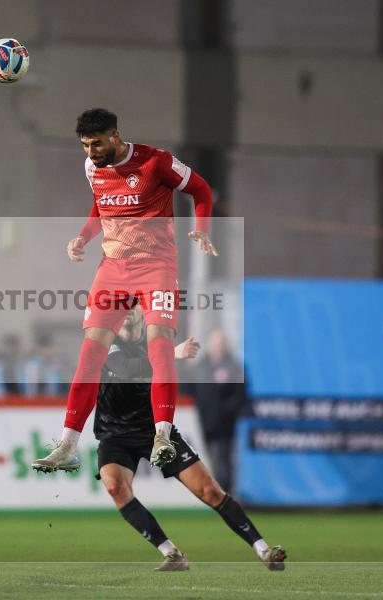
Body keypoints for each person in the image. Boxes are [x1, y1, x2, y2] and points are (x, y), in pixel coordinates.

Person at [33, 108, 217, 473]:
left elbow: (201, 190)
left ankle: (162, 437)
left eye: (97, 144)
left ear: (115, 137)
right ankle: (67, 446)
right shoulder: (92, 167)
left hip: (156, 267)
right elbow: (102, 207)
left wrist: (202, 228)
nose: (91, 152)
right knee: (90, 356)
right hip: (113, 269)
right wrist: (82, 237)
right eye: (85, 145)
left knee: (159, 346)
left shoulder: (155, 162)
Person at [94, 308, 286, 572]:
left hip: (156, 431)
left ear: (143, 312)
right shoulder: (107, 341)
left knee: (210, 491)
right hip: (114, 434)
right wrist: (172, 353)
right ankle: (171, 553)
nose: (125, 309)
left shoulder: (155, 342)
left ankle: (264, 550)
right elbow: (124, 369)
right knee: (116, 487)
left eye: (133, 304)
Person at [186, 327, 249, 496]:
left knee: (224, 461)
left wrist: (227, 412)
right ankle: (207, 493)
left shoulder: (234, 368)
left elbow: (240, 395)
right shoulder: (200, 368)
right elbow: (188, 392)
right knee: (203, 459)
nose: (218, 346)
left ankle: (225, 494)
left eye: (221, 343)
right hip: (203, 422)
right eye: (215, 343)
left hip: (225, 425)